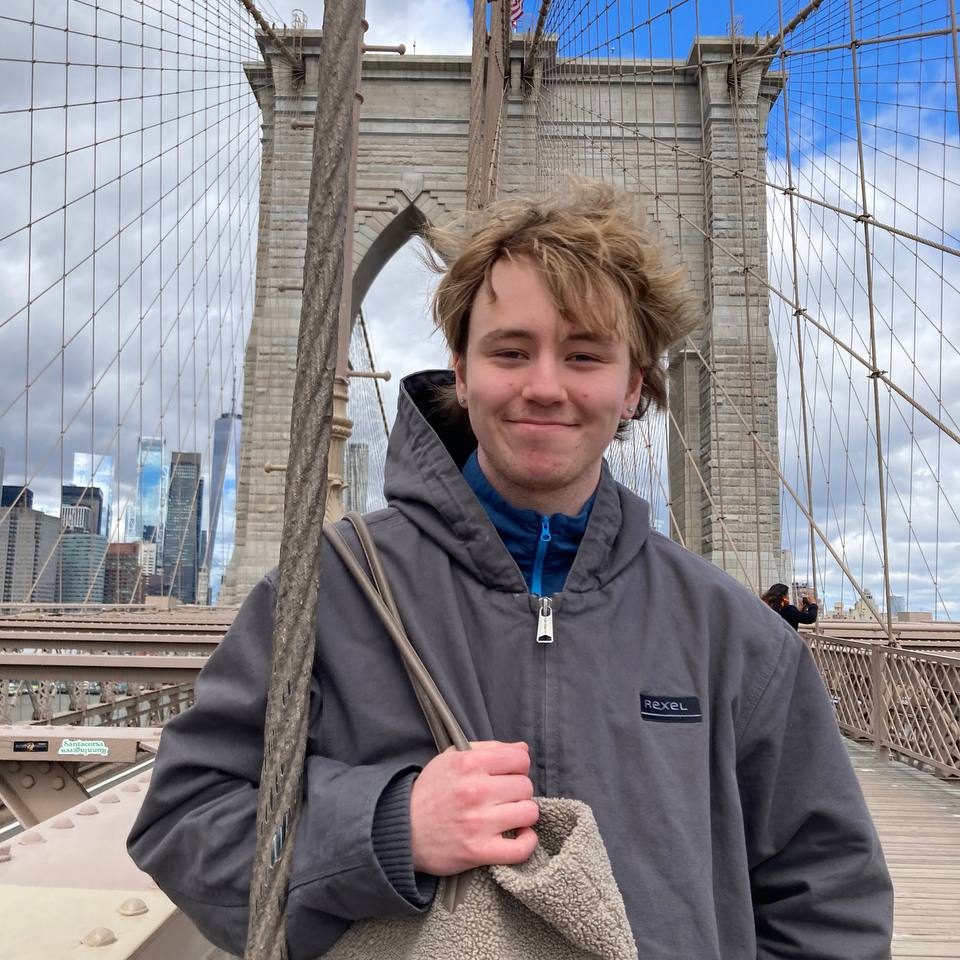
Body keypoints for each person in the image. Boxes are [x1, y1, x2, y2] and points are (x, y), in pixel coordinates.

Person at [128, 181, 892, 959]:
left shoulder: (737, 638)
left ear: (634, 387)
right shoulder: (327, 591)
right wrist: (388, 826)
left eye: (585, 355)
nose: (544, 387)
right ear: (460, 372)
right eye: (510, 351)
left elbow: (829, 900)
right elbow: (186, 819)